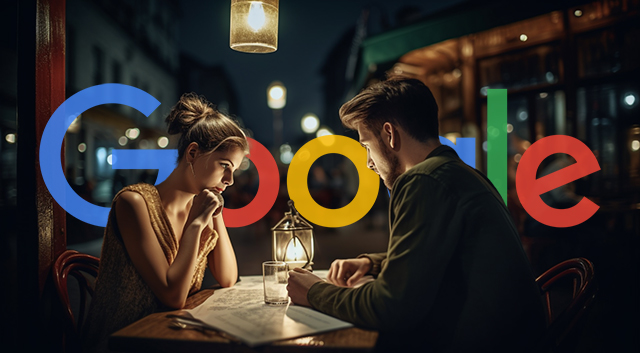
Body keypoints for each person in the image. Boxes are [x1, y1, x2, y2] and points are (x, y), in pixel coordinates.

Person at [287, 78, 547, 352]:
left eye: (366, 145)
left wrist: (313, 291)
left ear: (389, 134)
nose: (368, 162)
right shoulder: (458, 172)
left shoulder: (423, 180)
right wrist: (372, 264)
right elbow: (444, 252)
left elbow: (390, 307)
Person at [83, 93, 248, 352]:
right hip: (123, 340)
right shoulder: (134, 203)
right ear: (192, 152)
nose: (230, 179)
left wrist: (215, 216)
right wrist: (195, 225)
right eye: (224, 165)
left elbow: (228, 278)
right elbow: (173, 297)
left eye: (234, 170)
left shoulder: (201, 208)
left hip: (170, 337)